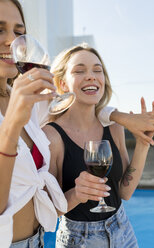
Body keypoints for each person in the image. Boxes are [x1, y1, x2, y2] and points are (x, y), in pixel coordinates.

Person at [42, 43, 154, 248]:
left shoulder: (114, 127)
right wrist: (75, 195)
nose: (91, 76)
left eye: (97, 70)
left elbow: (124, 192)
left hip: (122, 230)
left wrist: (143, 143)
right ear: (62, 84)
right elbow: (46, 211)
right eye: (80, 71)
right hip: (78, 238)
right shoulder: (52, 136)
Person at [0, 1, 67, 247]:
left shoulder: (22, 97)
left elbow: (77, 107)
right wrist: (10, 128)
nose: (11, 41)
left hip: (40, 240)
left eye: (19, 32)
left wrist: (119, 117)